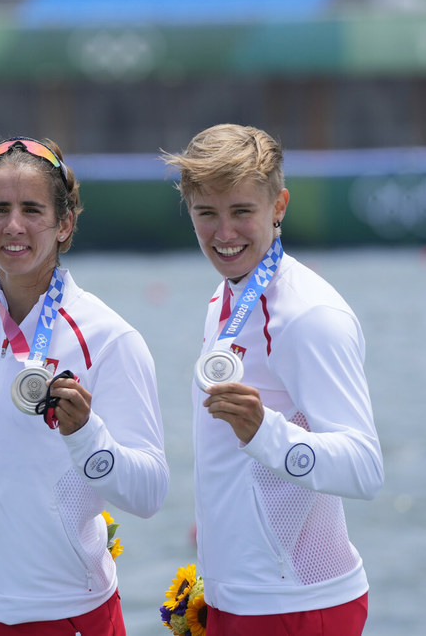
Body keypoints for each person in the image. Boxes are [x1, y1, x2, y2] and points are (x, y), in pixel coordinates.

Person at [0, 137, 169, 635]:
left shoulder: (108, 338)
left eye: (32, 210)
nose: (13, 226)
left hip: (62, 614)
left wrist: (86, 435)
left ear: (64, 223)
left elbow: (149, 492)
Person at [162, 124, 384, 635]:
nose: (224, 233)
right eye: (206, 214)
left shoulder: (310, 315)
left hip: (300, 603)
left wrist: (266, 433)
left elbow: (365, 469)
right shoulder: (225, 296)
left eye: (242, 211)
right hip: (234, 596)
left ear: (279, 205)